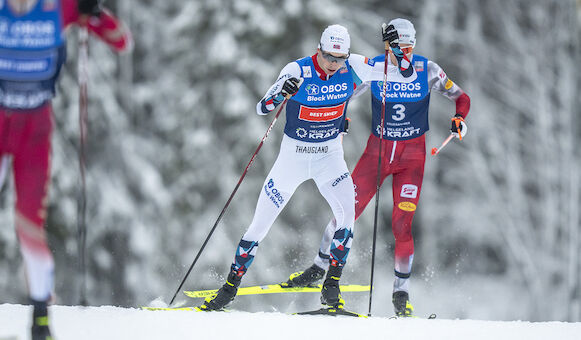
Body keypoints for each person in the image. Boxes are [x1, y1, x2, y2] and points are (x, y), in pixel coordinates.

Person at [199, 24, 416, 312]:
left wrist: (396, 51)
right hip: (294, 159)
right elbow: (262, 108)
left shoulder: (354, 66)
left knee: (347, 217)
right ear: (319, 50)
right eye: (329, 57)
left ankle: (331, 286)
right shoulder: (298, 70)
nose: (334, 64)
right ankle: (228, 289)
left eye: (340, 59)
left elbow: (405, 75)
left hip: (330, 157)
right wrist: (281, 92)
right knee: (259, 225)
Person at [282, 18, 471, 317]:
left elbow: (461, 96)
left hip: (412, 160)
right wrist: (338, 120)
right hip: (377, 154)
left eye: (406, 48)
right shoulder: (373, 68)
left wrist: (459, 118)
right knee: (346, 211)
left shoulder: (427, 70)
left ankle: (401, 293)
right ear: (387, 46)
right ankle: (320, 267)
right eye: (395, 47)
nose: (401, 54)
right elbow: (341, 95)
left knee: (402, 225)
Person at [0, 0, 131, 339]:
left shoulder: (60, 7)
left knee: (30, 221)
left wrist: (95, 12)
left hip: (34, 131)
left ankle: (40, 321)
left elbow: (121, 41)